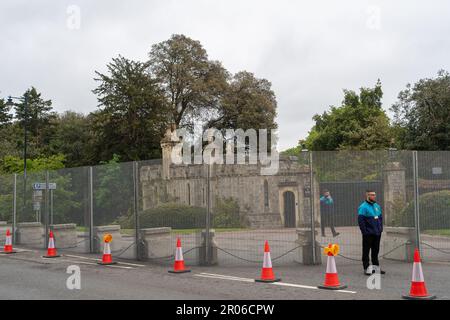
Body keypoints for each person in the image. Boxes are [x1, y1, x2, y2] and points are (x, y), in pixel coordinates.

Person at [358, 190, 386, 275]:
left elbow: (380, 218)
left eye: (374, 195)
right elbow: (361, 221)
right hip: (368, 234)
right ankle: (366, 268)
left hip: (377, 233)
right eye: (372, 195)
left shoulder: (377, 206)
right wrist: (365, 232)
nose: (374, 196)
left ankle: (376, 267)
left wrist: (380, 229)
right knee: (366, 251)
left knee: (375, 251)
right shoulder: (363, 207)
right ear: (367, 195)